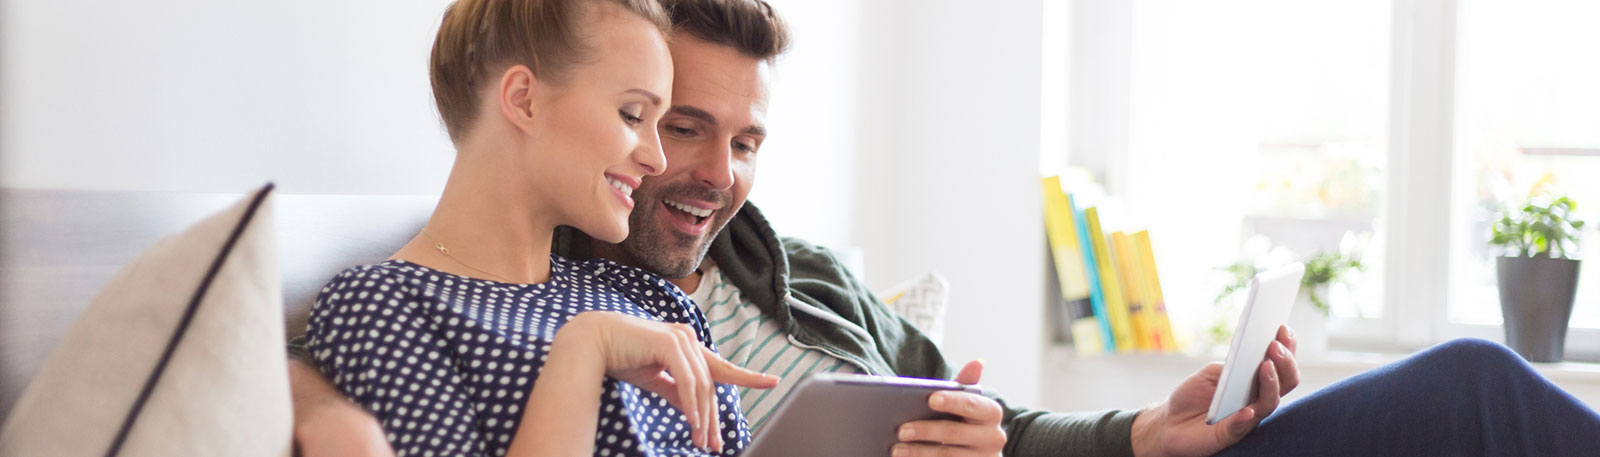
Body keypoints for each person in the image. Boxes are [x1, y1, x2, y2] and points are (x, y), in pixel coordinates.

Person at [290, 0, 1600, 456]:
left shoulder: (748, 286)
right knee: (1481, 396)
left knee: (1473, 391)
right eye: (660, 120)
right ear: (533, 110)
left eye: (738, 140)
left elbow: (992, 425)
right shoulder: (535, 303)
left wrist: (1146, 431)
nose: (684, 164)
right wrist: (307, 393)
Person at [300, 0, 780, 456]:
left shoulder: (652, 299)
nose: (654, 158)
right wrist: (584, 351)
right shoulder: (384, 305)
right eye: (632, 115)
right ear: (524, 100)